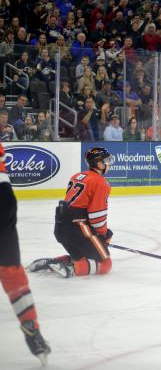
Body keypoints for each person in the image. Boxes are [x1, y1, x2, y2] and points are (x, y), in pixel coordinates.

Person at [26, 148, 114, 278]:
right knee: (105, 263)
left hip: (61, 226)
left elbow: (75, 205)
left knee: (83, 256)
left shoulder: (77, 176)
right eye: (106, 161)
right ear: (99, 164)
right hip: (78, 227)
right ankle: (70, 269)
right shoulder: (100, 182)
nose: (109, 164)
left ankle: (53, 262)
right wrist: (102, 235)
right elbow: (97, 216)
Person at [0, 142, 51, 365]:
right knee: (11, 270)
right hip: (4, 199)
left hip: (4, 201)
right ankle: (32, 329)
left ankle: (32, 328)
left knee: (11, 269)